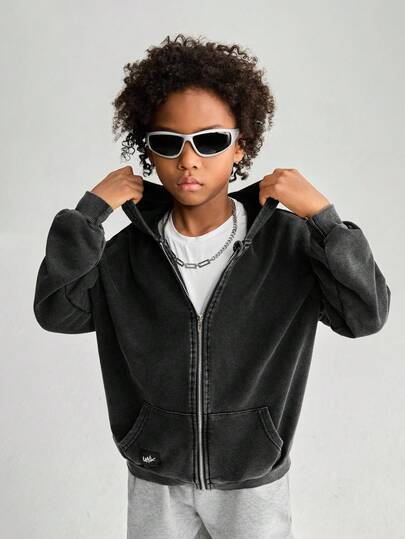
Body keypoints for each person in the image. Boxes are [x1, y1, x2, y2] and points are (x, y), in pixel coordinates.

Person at [33, 34, 391, 539]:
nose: (189, 160)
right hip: (155, 474)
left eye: (210, 141)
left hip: (252, 478)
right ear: (147, 149)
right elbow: (57, 311)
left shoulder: (288, 245)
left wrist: (326, 220)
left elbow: (364, 315)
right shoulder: (124, 255)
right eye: (168, 142)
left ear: (241, 145)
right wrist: (88, 215)